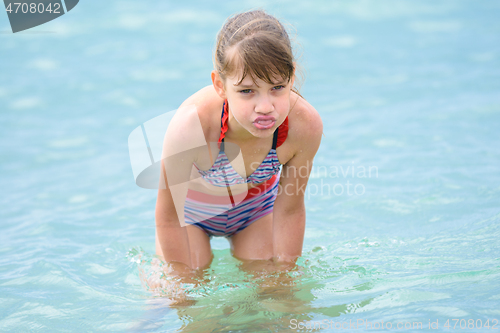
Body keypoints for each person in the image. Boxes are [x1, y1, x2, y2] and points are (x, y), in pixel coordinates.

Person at [154, 9, 323, 271]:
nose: (265, 107)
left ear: (291, 76)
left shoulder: (304, 126)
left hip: (255, 215)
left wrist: (285, 276)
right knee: (187, 299)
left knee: (277, 293)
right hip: (189, 218)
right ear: (220, 85)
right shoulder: (192, 126)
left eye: (277, 87)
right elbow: (168, 215)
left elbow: (290, 209)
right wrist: (182, 285)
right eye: (247, 91)